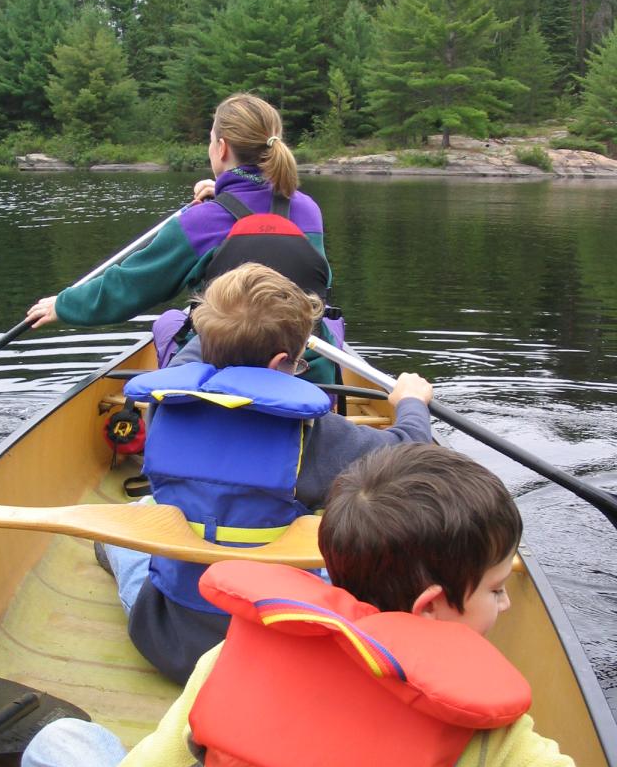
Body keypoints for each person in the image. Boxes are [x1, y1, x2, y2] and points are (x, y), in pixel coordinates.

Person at [20, 444, 617, 767]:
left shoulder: (229, 658)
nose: (506, 604)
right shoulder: (491, 742)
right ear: (430, 605)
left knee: (60, 745)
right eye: (496, 589)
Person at [101, 263, 433, 684]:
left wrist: (227, 326)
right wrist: (411, 402)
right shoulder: (310, 434)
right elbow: (410, 450)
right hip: (274, 644)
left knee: (136, 519)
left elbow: (202, 349)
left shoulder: (164, 402)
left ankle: (106, 547)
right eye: (299, 362)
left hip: (170, 640)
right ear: (280, 364)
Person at [25, 91, 341, 381]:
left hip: (221, 370)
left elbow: (131, 286)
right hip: (305, 369)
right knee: (330, 323)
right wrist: (223, 193)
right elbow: (301, 267)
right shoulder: (308, 210)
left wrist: (64, 305)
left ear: (222, 148)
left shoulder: (200, 221)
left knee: (170, 321)